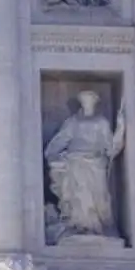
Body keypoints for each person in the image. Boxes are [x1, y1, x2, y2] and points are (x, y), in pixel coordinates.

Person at [44, 91, 125, 238]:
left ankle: (96, 227)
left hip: (96, 164)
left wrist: (120, 128)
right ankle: (79, 225)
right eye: (85, 101)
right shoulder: (72, 122)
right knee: (78, 195)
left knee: (98, 196)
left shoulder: (101, 123)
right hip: (75, 162)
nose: (87, 104)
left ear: (94, 103)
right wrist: (54, 155)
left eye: (90, 101)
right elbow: (59, 141)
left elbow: (110, 147)